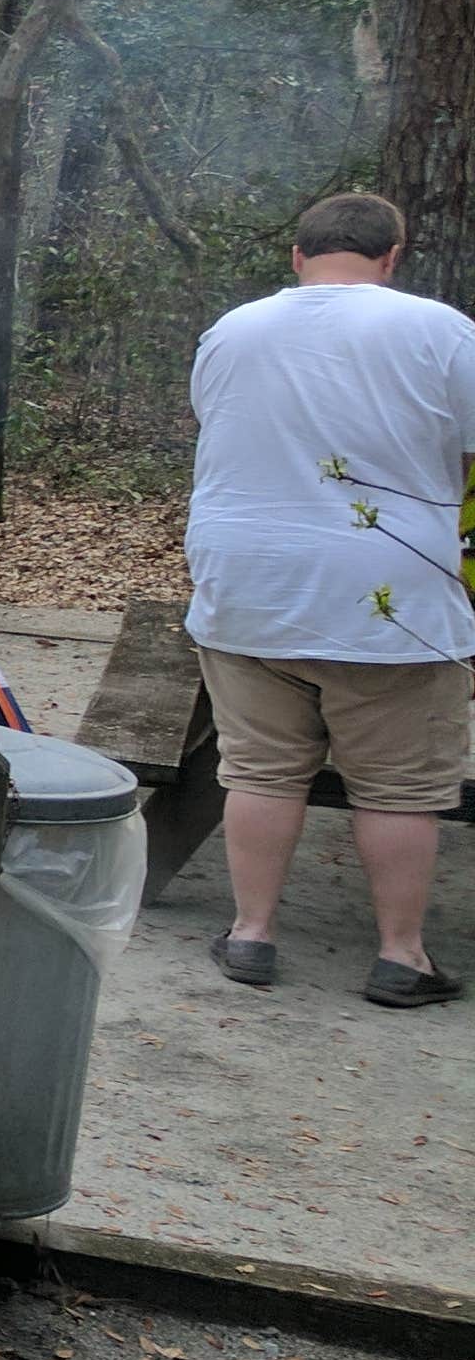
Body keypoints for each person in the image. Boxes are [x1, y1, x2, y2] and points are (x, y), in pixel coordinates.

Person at [186, 190, 475, 1004]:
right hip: (388, 588)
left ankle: (252, 935)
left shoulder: (232, 331)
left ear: (297, 257)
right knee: (400, 786)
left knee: (261, 771)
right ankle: (400, 955)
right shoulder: (439, 330)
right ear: (392, 257)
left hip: (249, 582)